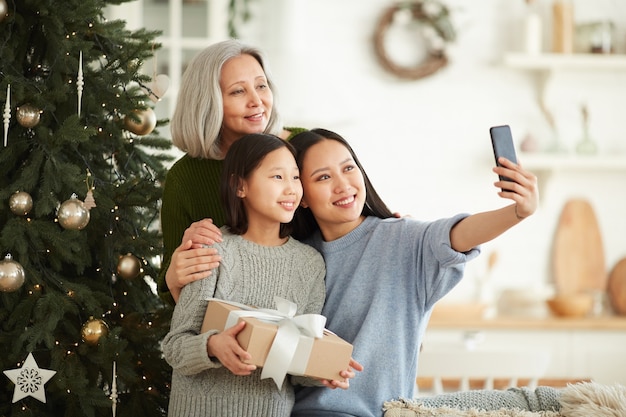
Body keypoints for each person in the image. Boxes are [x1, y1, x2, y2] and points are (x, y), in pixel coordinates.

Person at [287, 128, 539, 417]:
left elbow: (456, 234)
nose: (343, 185)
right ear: (301, 195)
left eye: (348, 168)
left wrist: (517, 213)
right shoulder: (295, 255)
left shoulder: (402, 238)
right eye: (323, 177)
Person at [162, 134, 354, 417]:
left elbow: (294, 362)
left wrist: (324, 370)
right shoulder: (213, 249)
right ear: (240, 185)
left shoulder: (310, 263)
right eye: (277, 177)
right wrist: (213, 345)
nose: (291, 189)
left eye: (296, 177)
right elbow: (174, 348)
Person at [158, 39, 307, 304]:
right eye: (238, 91)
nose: (257, 101)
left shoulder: (302, 146)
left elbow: (348, 209)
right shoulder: (185, 178)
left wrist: (385, 220)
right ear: (208, 102)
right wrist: (176, 273)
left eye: (261, 86)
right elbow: (173, 293)